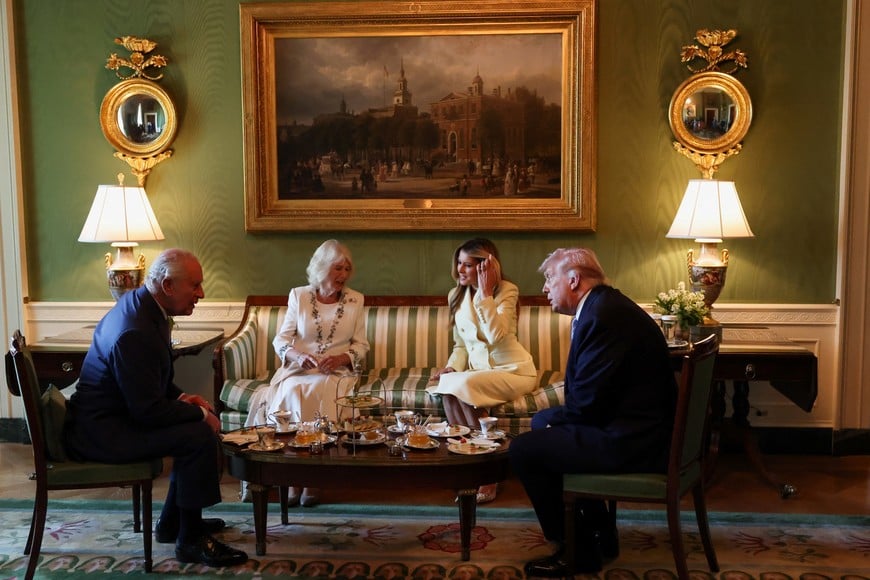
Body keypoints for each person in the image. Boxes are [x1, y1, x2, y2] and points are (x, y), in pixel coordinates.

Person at [65, 248, 247, 568]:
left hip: (114, 420)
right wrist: (200, 414)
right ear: (167, 286)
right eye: (195, 285)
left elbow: (149, 382)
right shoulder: (136, 329)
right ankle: (190, 540)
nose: (201, 294)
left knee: (194, 428)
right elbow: (146, 410)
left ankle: (171, 524)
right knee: (197, 436)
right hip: (103, 433)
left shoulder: (144, 308)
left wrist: (181, 399)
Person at [508, 247, 677, 577]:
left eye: (549, 279)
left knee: (524, 451)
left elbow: (584, 405)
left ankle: (577, 551)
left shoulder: (603, 317)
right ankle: (600, 531)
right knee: (542, 422)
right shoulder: (603, 307)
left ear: (573, 280)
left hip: (635, 440)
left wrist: (552, 426)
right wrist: (551, 423)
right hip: (633, 425)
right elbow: (591, 396)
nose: (544, 288)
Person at [245, 239, 369, 507]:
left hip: (336, 373)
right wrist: (298, 356)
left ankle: (313, 479)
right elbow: (281, 340)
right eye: (338, 268)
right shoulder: (299, 296)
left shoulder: (355, 300)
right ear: (322, 268)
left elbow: (361, 345)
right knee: (292, 390)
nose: (343, 275)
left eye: (347, 269)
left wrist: (340, 358)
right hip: (298, 370)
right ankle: (292, 479)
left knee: (324, 391)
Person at [427, 238, 537, 503]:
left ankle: (487, 474)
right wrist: (452, 366)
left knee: (462, 386)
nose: (460, 270)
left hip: (514, 371)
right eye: (459, 264)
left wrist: (485, 294)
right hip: (477, 375)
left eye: (467, 265)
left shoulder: (507, 291)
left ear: (486, 266)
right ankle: (467, 469)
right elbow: (461, 345)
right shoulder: (456, 295)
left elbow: (496, 336)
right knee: (449, 388)